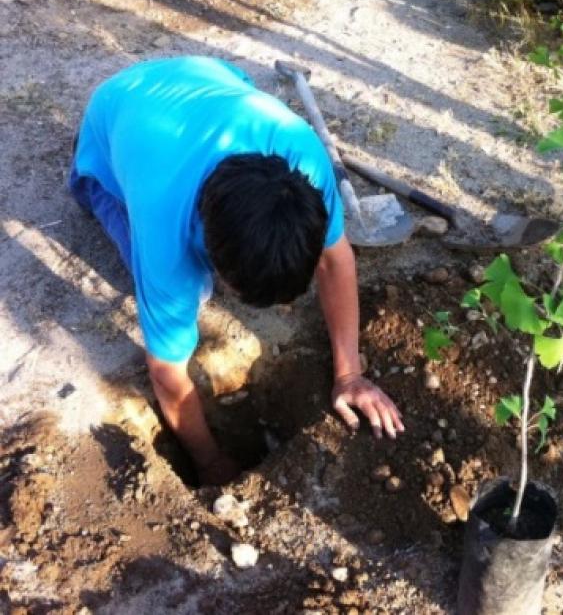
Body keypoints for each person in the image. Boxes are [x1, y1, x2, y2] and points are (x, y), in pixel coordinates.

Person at [68, 56, 404, 485]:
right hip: (113, 117)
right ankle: (84, 157)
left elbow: (336, 259)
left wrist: (350, 374)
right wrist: (208, 462)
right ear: (207, 243)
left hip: (202, 76)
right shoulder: (162, 225)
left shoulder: (302, 157)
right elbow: (166, 371)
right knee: (196, 292)